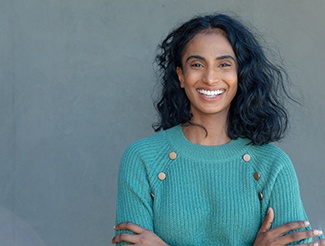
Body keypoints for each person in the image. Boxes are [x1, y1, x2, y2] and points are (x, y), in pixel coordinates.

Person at [112, 13, 324, 245]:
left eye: (224, 64)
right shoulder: (142, 159)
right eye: (197, 64)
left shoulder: (272, 164)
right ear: (181, 76)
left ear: (239, 74)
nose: (210, 78)